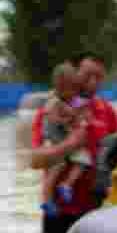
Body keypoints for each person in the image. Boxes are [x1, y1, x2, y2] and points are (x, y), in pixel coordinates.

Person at [29, 52, 117, 233]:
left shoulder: (107, 112)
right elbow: (36, 160)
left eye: (99, 77)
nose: (93, 81)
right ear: (73, 73)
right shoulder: (51, 110)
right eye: (87, 74)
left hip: (94, 211)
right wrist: (71, 145)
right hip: (58, 210)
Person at [39, 63, 93, 217]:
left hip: (67, 140)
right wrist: (67, 118)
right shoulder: (53, 102)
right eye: (67, 89)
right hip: (52, 140)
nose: (71, 93)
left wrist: (80, 117)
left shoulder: (75, 101)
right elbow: (52, 117)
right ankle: (46, 199)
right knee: (57, 166)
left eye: (74, 89)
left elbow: (82, 115)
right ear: (58, 87)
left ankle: (67, 185)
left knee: (83, 160)